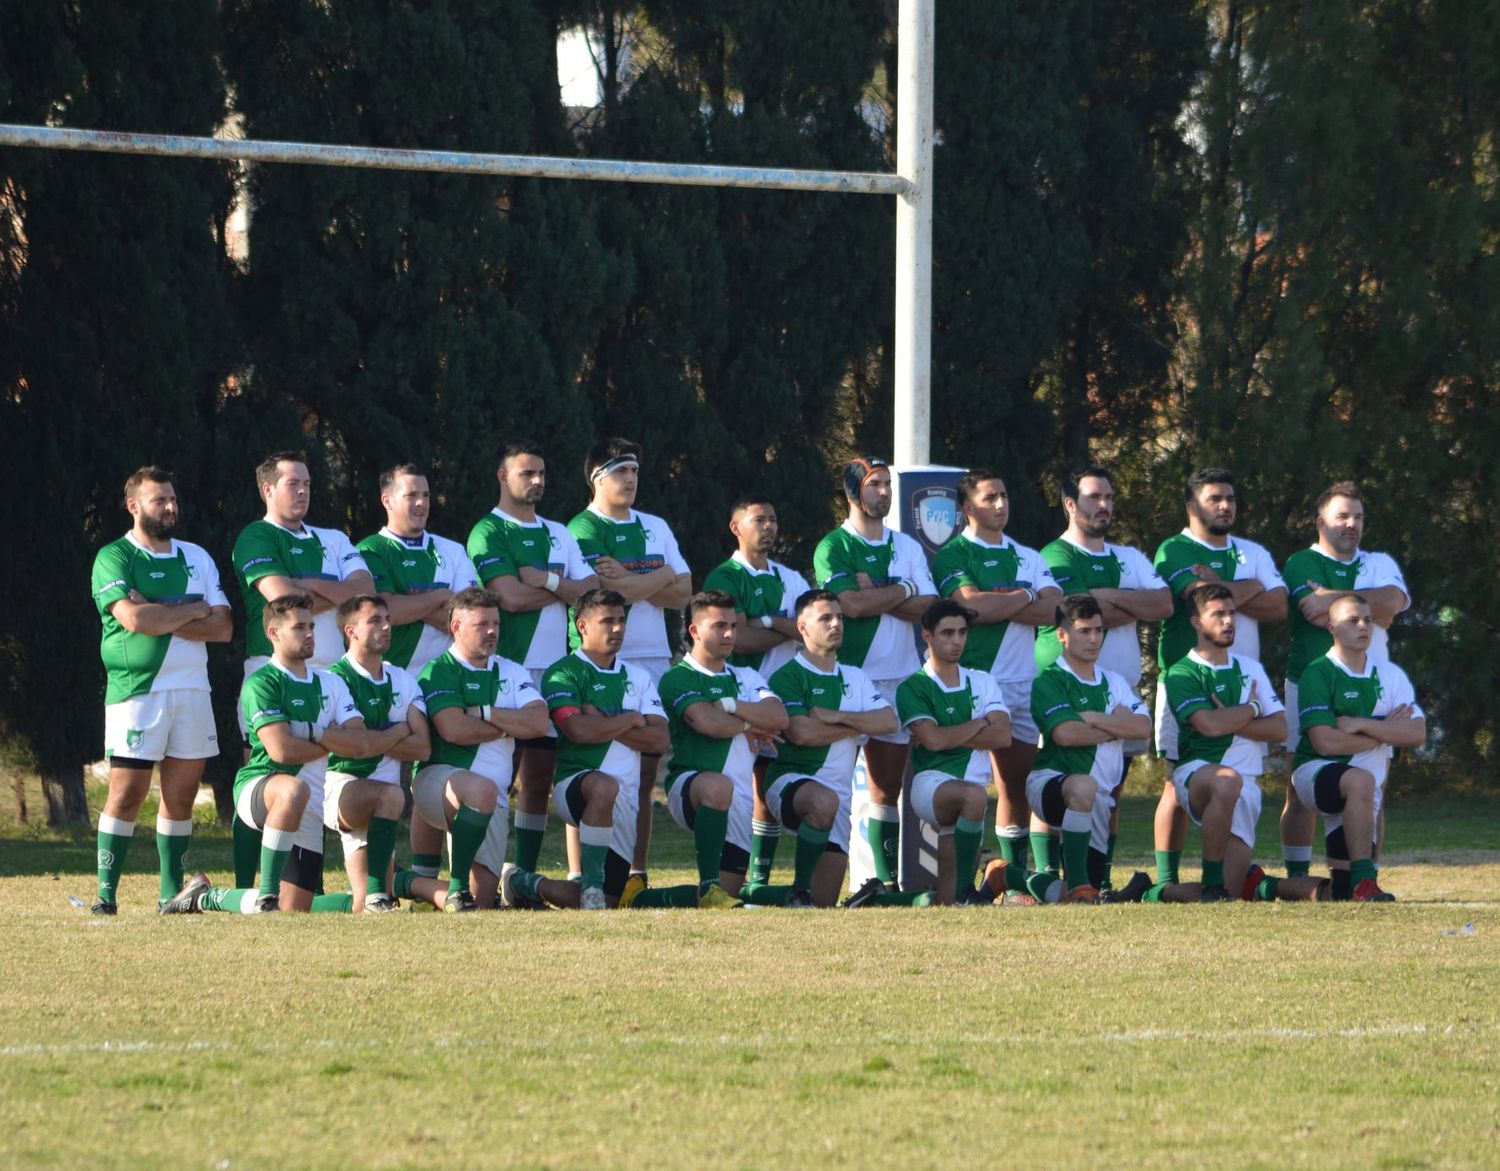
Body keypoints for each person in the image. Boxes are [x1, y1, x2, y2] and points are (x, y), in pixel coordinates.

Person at [164, 594, 410, 914]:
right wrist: (333, 740)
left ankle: (203, 896)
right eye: (299, 627)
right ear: (274, 634)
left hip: (308, 805)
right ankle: (267, 894)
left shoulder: (330, 683)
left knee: (295, 911)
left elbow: (360, 742)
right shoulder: (262, 682)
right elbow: (281, 751)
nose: (310, 633)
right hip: (261, 787)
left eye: (311, 626)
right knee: (293, 788)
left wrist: (314, 732)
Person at [90, 466, 232, 914]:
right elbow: (135, 621)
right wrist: (193, 610)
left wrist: (162, 611)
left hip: (192, 690)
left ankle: (171, 894)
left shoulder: (197, 557)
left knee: (181, 796)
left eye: (173, 499)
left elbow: (224, 627)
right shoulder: (113, 557)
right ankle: (105, 896)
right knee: (128, 792)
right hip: (138, 692)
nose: (170, 507)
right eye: (159, 500)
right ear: (133, 506)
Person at [228, 451, 373, 885]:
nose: (304, 491)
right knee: (268, 771)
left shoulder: (333, 538)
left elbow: (362, 594)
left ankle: (320, 886)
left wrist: (306, 589)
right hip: (273, 671)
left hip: (331, 676)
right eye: (294, 484)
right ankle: (242, 886)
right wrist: (332, 594)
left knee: (329, 776)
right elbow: (281, 602)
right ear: (267, 489)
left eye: (308, 484)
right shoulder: (256, 536)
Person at [503, 589, 685, 910]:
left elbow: (659, 740)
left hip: (624, 804)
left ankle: (522, 882)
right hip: (577, 785)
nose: (617, 629)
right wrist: (632, 720)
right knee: (603, 785)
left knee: (611, 901)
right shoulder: (563, 673)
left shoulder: (638, 677)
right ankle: (590, 885)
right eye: (607, 621)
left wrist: (609, 720)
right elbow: (578, 731)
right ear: (583, 626)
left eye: (621, 621)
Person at [468, 441, 596, 892]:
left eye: (542, 473)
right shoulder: (488, 531)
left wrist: (547, 580)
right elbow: (509, 598)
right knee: (500, 772)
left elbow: (590, 591)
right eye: (527, 473)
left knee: (539, 776)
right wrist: (564, 588)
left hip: (557, 670)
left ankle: (518, 875)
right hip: (510, 668)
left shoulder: (559, 533)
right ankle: (479, 870)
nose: (537, 481)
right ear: (503, 477)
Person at [1150, 467, 1286, 889]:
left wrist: (1224, 588)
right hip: (1187, 681)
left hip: (1245, 682)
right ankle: (1167, 879)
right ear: (1192, 507)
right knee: (1175, 782)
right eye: (1214, 499)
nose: (1225, 505)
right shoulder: (1173, 549)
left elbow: (1279, 604)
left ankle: (1224, 879)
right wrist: (1247, 589)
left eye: (1230, 498)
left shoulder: (1253, 551)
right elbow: (1197, 597)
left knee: (1240, 782)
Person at [1034, 465, 1169, 891]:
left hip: (1116, 696)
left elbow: (1164, 603)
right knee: (1058, 787)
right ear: (1070, 504)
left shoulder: (1127, 556)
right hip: (1067, 689)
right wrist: (1129, 604)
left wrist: (1108, 599)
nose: (1104, 505)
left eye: (1109, 497)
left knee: (1109, 795)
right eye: (1094, 497)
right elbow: (1078, 610)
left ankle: (1097, 881)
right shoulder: (1053, 556)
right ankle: (1047, 876)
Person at [567, 438, 692, 879]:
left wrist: (641, 578)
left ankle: (636, 874)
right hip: (596, 661)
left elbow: (685, 592)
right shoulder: (580, 528)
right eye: (621, 471)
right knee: (591, 767)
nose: (631, 480)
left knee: (643, 773)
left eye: (635, 472)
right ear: (597, 477)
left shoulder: (655, 525)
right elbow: (608, 595)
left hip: (653, 658)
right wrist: (660, 575)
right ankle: (582, 875)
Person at [812, 457, 936, 896]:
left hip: (900, 679)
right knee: (835, 788)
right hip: (850, 679)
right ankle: (821, 887)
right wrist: (903, 589)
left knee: (886, 789)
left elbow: (929, 607)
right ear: (852, 493)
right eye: (874, 485)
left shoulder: (907, 547)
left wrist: (882, 591)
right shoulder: (833, 546)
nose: (883, 493)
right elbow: (851, 605)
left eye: (887, 484)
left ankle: (884, 885)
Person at [930, 468, 1060, 874]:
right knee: (968, 787)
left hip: (1023, 684)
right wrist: (1024, 594)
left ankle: (1015, 877)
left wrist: (999, 600)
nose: (1001, 504)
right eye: (990, 498)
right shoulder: (954, 554)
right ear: (968, 508)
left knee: (1014, 785)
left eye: (1004, 495)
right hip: (973, 682)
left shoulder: (1028, 555)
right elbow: (973, 607)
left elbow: (1055, 609)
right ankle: (960, 880)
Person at [1279, 482, 1410, 878]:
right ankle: (1298, 877)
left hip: (1371, 693)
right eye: (1342, 517)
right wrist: (1371, 605)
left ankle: (1365, 876)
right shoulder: (1301, 562)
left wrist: (1338, 600)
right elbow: (1314, 611)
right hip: (1308, 685)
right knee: (1298, 790)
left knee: (1372, 789)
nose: (1352, 524)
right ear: (1321, 522)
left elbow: (1392, 603)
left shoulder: (1380, 562)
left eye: (1358, 517)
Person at [357, 463, 478, 892]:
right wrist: (443, 601)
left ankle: (424, 879)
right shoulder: (369, 551)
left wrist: (421, 606)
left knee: (434, 771)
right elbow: (382, 610)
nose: (423, 503)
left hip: (444, 680)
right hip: (391, 679)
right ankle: (381, 881)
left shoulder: (453, 550)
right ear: (387, 500)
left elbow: (470, 616)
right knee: (387, 779)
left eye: (426, 494)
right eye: (412, 495)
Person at [751, 590, 899, 908]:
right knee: (822, 801)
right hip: (790, 782)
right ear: (802, 627)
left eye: (840, 617)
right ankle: (798, 891)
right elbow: (802, 733)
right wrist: (858, 725)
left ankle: (754, 894)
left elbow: (888, 721)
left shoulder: (854, 677)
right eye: (825, 618)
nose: (836, 624)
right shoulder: (787, 676)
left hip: (838, 800)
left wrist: (838, 717)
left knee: (823, 906)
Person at [408, 587, 550, 912]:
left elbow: (540, 723)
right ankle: (448, 888)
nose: (491, 632)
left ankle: (410, 885)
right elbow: (453, 729)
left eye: (496, 624)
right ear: (455, 627)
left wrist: (484, 713)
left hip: (492, 797)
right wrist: (510, 725)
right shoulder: (439, 670)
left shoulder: (512, 672)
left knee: (483, 906)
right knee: (481, 790)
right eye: (481, 624)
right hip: (438, 785)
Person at [1150, 584, 1288, 903]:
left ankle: (1157, 894)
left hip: (1247, 786)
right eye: (1218, 614)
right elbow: (1209, 725)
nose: (1228, 621)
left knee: (1231, 894)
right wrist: (1252, 709)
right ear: (1197, 622)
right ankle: (1210, 880)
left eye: (1232, 613)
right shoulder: (1181, 672)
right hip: (1198, 773)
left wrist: (1234, 718)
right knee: (1227, 781)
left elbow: (1280, 728)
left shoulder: (1250, 668)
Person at [702, 493, 812, 889]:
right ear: (737, 528)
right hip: (742, 693)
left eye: (772, 519)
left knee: (767, 784)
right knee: (746, 788)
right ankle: (734, 878)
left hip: (781, 695)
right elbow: (740, 640)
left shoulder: (791, 578)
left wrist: (764, 621)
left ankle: (759, 879)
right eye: (759, 520)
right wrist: (779, 624)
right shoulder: (726, 577)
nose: (768, 527)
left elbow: (808, 628)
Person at [654, 591, 789, 908]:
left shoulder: (746, 676)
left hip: (739, 799)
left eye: (733, 625)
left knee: (722, 901)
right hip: (691, 787)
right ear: (695, 631)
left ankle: (642, 899)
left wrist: (729, 705)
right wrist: (749, 724)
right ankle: (710, 883)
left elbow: (779, 717)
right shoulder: (677, 677)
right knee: (718, 786)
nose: (729, 634)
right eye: (719, 626)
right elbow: (707, 723)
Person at [1290, 593, 1425, 902]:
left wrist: (1362, 724)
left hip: (1360, 795)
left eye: (1367, 620)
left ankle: (1264, 886)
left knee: (1338, 892)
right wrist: (1387, 731)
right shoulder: (1318, 673)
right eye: (1352, 620)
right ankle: (1366, 881)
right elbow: (1325, 742)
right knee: (1361, 780)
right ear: (1331, 626)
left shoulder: (1390, 675)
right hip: (1315, 775)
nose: (1363, 626)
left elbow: (1416, 732)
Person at [1028, 595, 1151, 903]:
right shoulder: (1050, 680)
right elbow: (1067, 734)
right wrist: (1115, 723)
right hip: (1050, 782)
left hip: (1098, 799)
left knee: (1072, 895)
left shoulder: (1115, 681)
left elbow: (1142, 730)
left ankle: (1007, 875)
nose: (1094, 638)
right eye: (1084, 631)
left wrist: (1095, 719)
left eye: (1098, 630)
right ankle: (1080, 887)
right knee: (1083, 785)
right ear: (1062, 634)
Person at [896, 600, 1016, 906]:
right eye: (947, 633)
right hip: (931, 785)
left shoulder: (983, 680)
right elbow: (933, 742)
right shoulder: (913, 686)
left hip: (969, 796)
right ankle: (970, 890)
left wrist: (949, 735)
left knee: (947, 904)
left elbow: (1002, 736)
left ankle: (908, 901)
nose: (957, 640)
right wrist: (980, 722)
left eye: (962, 633)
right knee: (974, 795)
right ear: (928, 637)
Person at [321, 595, 430, 912]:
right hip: (342, 788)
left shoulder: (402, 678)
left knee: (359, 904)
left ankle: (290, 905)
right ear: (351, 631)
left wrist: (370, 738)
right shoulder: (332, 679)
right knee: (392, 796)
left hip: (381, 805)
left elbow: (422, 746)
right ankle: (378, 895)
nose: (386, 627)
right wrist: (397, 731)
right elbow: (353, 748)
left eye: (388, 620)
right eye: (375, 621)